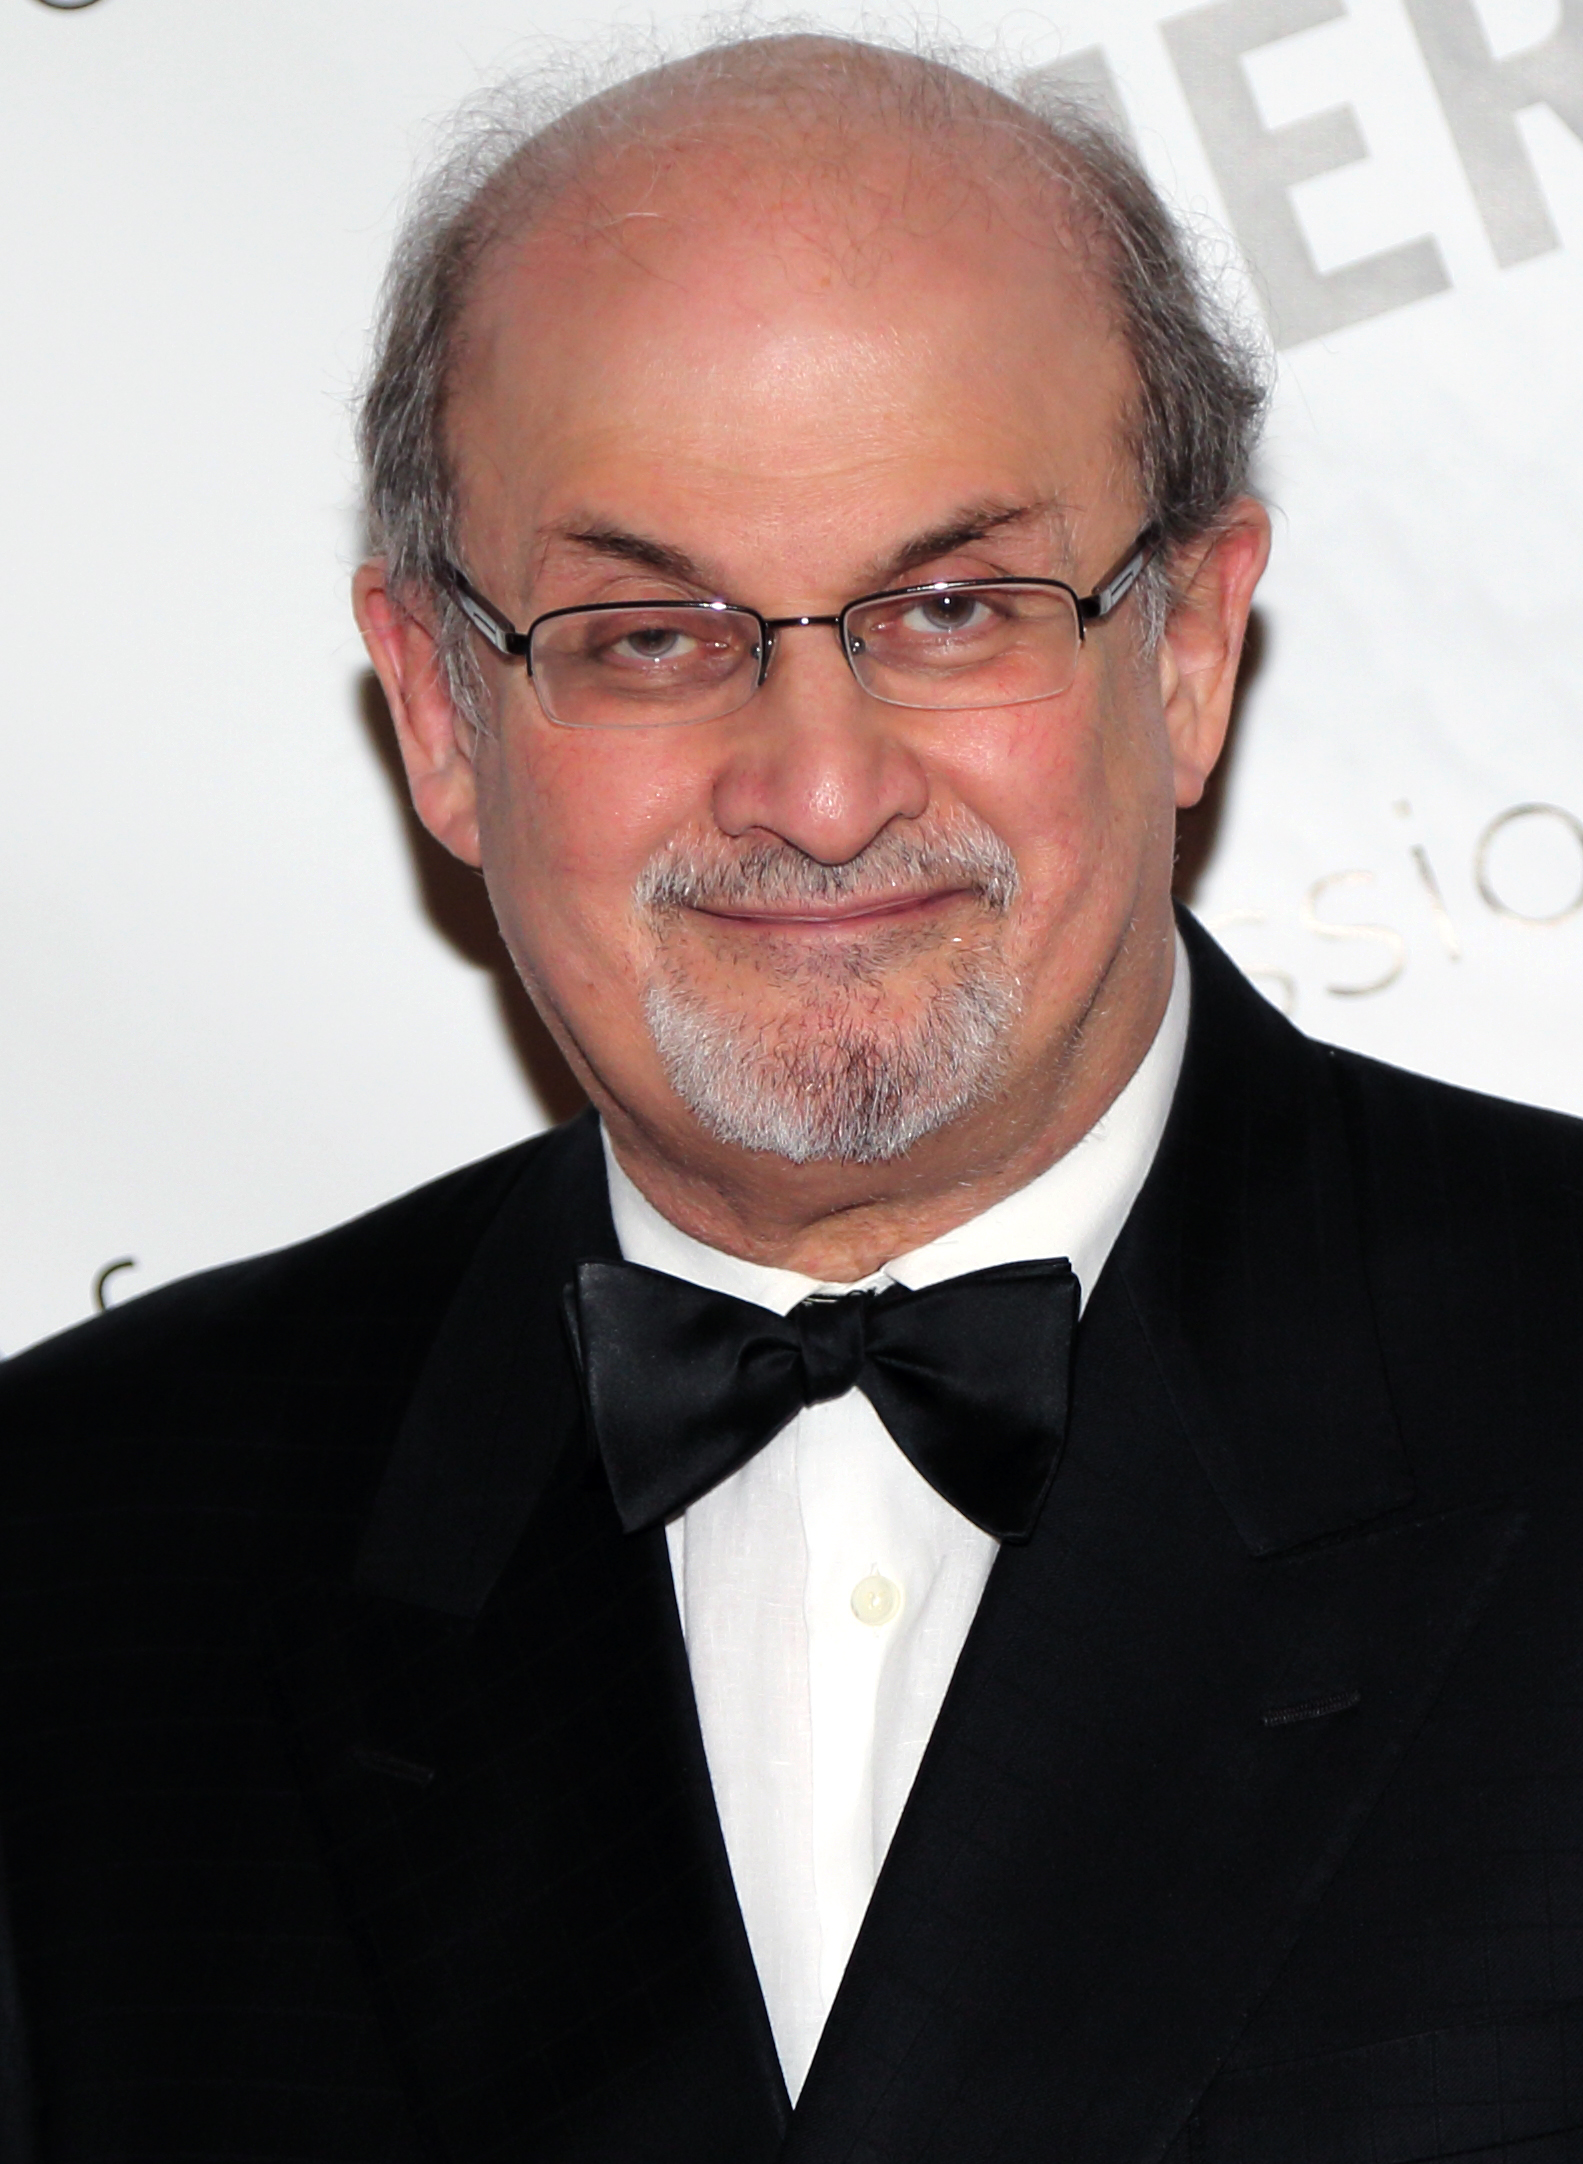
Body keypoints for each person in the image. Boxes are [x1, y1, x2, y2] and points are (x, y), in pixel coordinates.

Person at [1, 30, 1581, 2164]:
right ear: (442, 710)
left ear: (1190, 650)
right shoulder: (75, 1557)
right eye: (648, 634)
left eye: (954, 606)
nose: (820, 792)